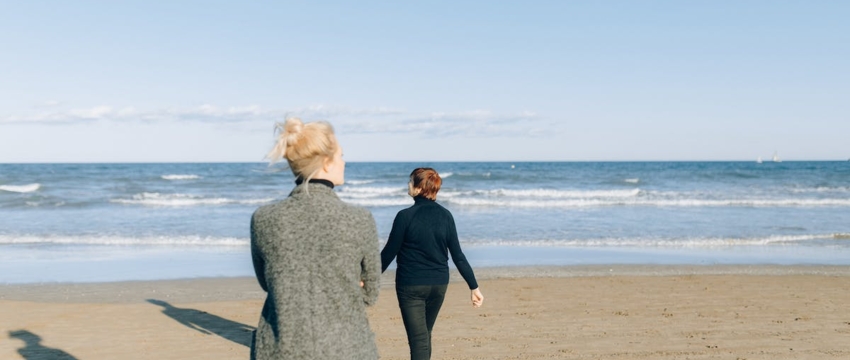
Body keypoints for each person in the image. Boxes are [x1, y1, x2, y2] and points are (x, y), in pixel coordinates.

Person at [250, 117, 381, 359]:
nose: (343, 162)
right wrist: (346, 283)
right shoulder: (359, 219)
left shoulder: (263, 219)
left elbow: (269, 283)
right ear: (327, 162)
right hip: (347, 347)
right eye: (341, 156)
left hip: (280, 349)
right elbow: (370, 292)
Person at [380, 167, 484, 360]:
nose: (408, 185)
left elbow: (388, 253)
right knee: (424, 336)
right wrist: (474, 286)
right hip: (439, 285)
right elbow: (458, 256)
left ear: (419, 188)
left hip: (411, 286)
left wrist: (367, 277)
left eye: (411, 182)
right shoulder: (446, 216)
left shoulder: (405, 216)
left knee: (419, 340)